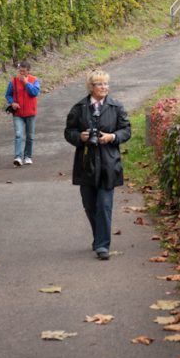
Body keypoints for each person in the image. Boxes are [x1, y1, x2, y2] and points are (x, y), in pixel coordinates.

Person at [64, 69, 131, 260]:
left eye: (106, 84)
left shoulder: (116, 107)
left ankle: (103, 245)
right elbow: (68, 132)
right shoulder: (79, 108)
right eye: (100, 84)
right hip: (86, 163)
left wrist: (112, 136)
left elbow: (126, 130)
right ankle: (98, 236)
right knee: (90, 205)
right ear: (91, 87)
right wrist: (80, 136)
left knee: (104, 205)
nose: (104, 87)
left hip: (109, 162)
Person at [6, 60, 41, 167]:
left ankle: (27, 157)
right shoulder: (13, 81)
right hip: (18, 114)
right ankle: (17, 157)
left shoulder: (34, 80)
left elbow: (34, 93)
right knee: (18, 135)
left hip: (31, 112)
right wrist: (12, 103)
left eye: (24, 71)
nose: (21, 73)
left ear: (28, 71)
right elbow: (8, 95)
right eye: (20, 71)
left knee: (30, 136)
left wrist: (26, 83)